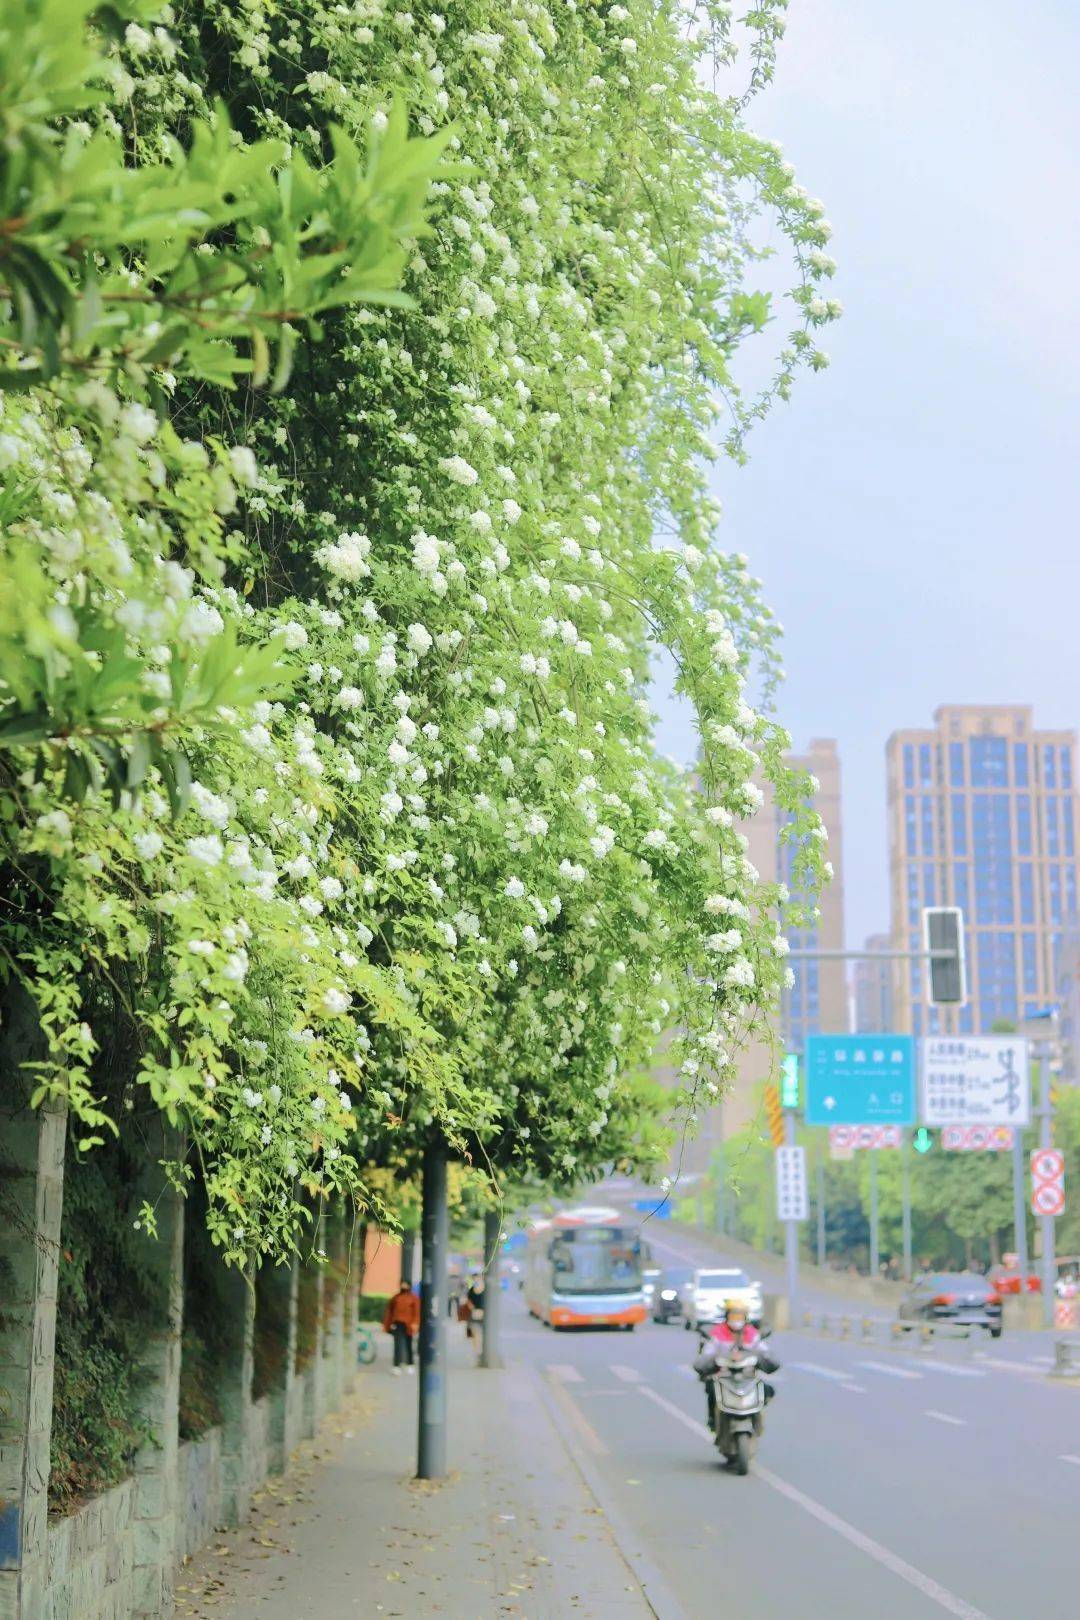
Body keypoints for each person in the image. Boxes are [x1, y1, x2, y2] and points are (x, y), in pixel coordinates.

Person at [694, 1299, 780, 1431]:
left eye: (739, 1316)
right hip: (723, 1375)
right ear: (727, 1316)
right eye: (733, 1316)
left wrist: (767, 1359)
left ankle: (757, 1416)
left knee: (768, 1390)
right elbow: (707, 1353)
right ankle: (713, 1420)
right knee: (711, 1389)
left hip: (747, 1375)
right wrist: (712, 1360)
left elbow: (763, 1350)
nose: (736, 1320)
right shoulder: (717, 1333)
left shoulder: (752, 1334)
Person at [382, 1279, 420, 1375]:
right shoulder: (396, 1298)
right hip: (397, 1323)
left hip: (409, 1325)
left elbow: (417, 1312)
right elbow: (389, 1312)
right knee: (397, 1346)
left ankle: (410, 1364)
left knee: (409, 1345)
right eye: (402, 1284)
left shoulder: (413, 1298)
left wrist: (415, 1323)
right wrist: (387, 1324)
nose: (403, 1286)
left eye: (405, 1284)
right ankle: (396, 1365)